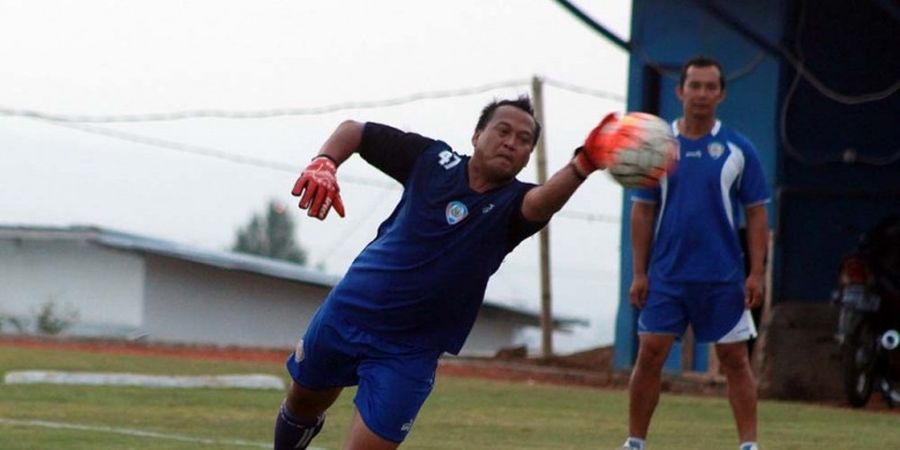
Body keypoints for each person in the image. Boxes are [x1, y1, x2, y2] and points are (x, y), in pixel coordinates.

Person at [274, 96, 616, 450]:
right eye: (503, 131)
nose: (512, 142)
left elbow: (543, 201)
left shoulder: (513, 205)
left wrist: (583, 164)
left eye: (524, 140)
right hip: (348, 313)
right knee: (302, 404)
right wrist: (325, 161)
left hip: (409, 350)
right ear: (477, 135)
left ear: (529, 155)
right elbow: (354, 131)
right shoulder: (432, 161)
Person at [620, 56, 770, 450]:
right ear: (679, 91)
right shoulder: (657, 148)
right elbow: (643, 210)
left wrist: (757, 273)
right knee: (650, 354)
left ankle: (749, 445)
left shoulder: (739, 149)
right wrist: (639, 272)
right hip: (667, 276)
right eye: (694, 86)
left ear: (720, 94)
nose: (701, 94)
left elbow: (756, 213)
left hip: (722, 277)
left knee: (735, 359)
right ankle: (635, 441)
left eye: (709, 87)